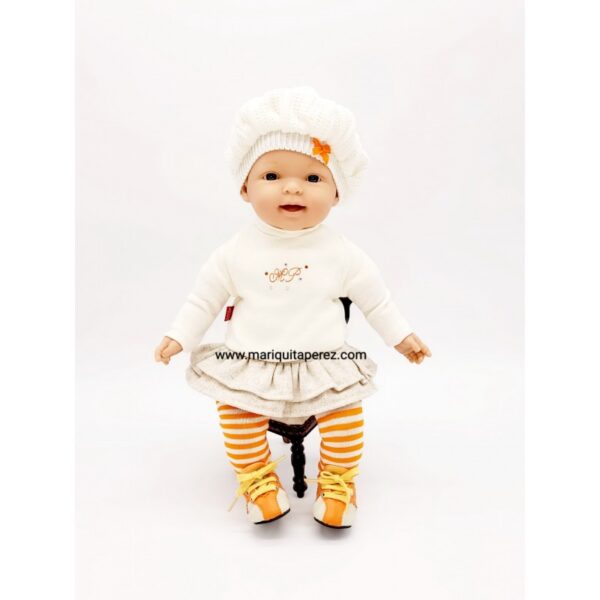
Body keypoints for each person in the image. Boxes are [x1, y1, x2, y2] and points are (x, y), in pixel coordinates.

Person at [154, 86, 431, 529]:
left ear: (337, 194)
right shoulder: (234, 252)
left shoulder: (342, 253)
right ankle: (258, 481)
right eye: (272, 175)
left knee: (345, 412)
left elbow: (376, 299)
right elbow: (203, 299)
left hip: (323, 364)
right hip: (251, 362)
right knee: (234, 411)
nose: (292, 187)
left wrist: (402, 336)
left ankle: (337, 482)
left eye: (314, 178)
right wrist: (178, 336)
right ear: (245, 188)